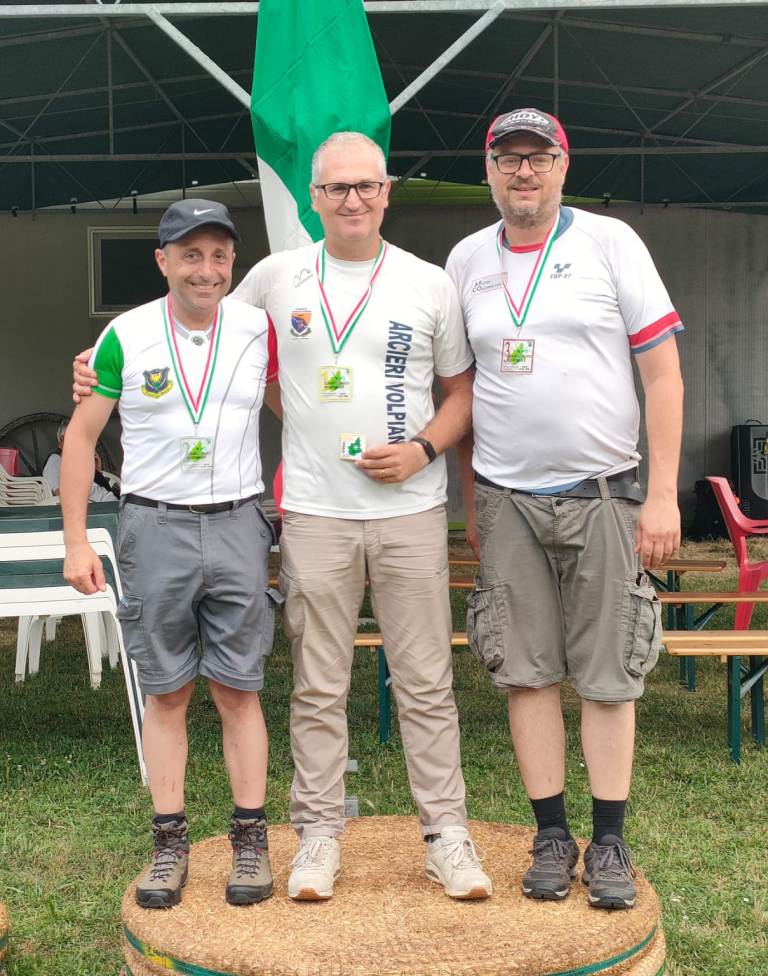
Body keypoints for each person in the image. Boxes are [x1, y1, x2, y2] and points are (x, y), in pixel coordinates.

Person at [75, 131, 492, 903]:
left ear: (386, 192)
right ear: (314, 197)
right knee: (317, 686)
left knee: (427, 682)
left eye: (366, 186)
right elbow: (196, 330)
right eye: (336, 188)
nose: (352, 200)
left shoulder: (429, 283)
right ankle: (318, 837)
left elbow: (462, 393)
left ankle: (447, 836)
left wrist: (423, 448)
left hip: (411, 510)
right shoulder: (275, 277)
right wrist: (99, 363)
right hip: (314, 513)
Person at [447, 108, 684, 909]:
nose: (523, 171)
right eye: (508, 158)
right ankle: (552, 834)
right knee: (527, 673)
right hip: (507, 501)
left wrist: (662, 494)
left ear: (563, 166)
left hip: (606, 494)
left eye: (538, 157)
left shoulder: (611, 243)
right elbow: (464, 388)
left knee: (610, 676)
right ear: (488, 170)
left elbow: (663, 375)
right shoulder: (467, 259)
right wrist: (472, 501)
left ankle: (609, 840)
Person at [62, 199, 279, 910]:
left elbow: (305, 402)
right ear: (163, 261)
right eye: (190, 255)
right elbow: (80, 439)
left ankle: (250, 841)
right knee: (168, 692)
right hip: (154, 528)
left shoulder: (259, 329)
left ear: (233, 262)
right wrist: (75, 541)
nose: (205, 270)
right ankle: (169, 844)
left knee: (239, 690)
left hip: (239, 522)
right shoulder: (124, 336)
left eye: (218, 255)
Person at [43, 419, 118, 501]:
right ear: (61, 441)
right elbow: (61, 492)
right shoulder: (55, 460)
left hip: (112, 503)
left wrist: (96, 473)